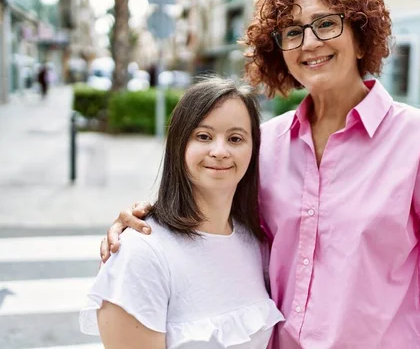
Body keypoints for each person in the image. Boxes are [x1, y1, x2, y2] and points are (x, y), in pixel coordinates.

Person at [101, 0, 420, 348]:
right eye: (292, 32)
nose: (309, 43)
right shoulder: (266, 142)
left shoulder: (419, 139)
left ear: (360, 38)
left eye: (326, 23)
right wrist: (149, 220)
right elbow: (219, 216)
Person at [81, 77, 284, 348]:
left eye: (236, 138)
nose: (220, 151)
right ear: (179, 145)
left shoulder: (256, 241)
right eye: (204, 136)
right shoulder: (141, 252)